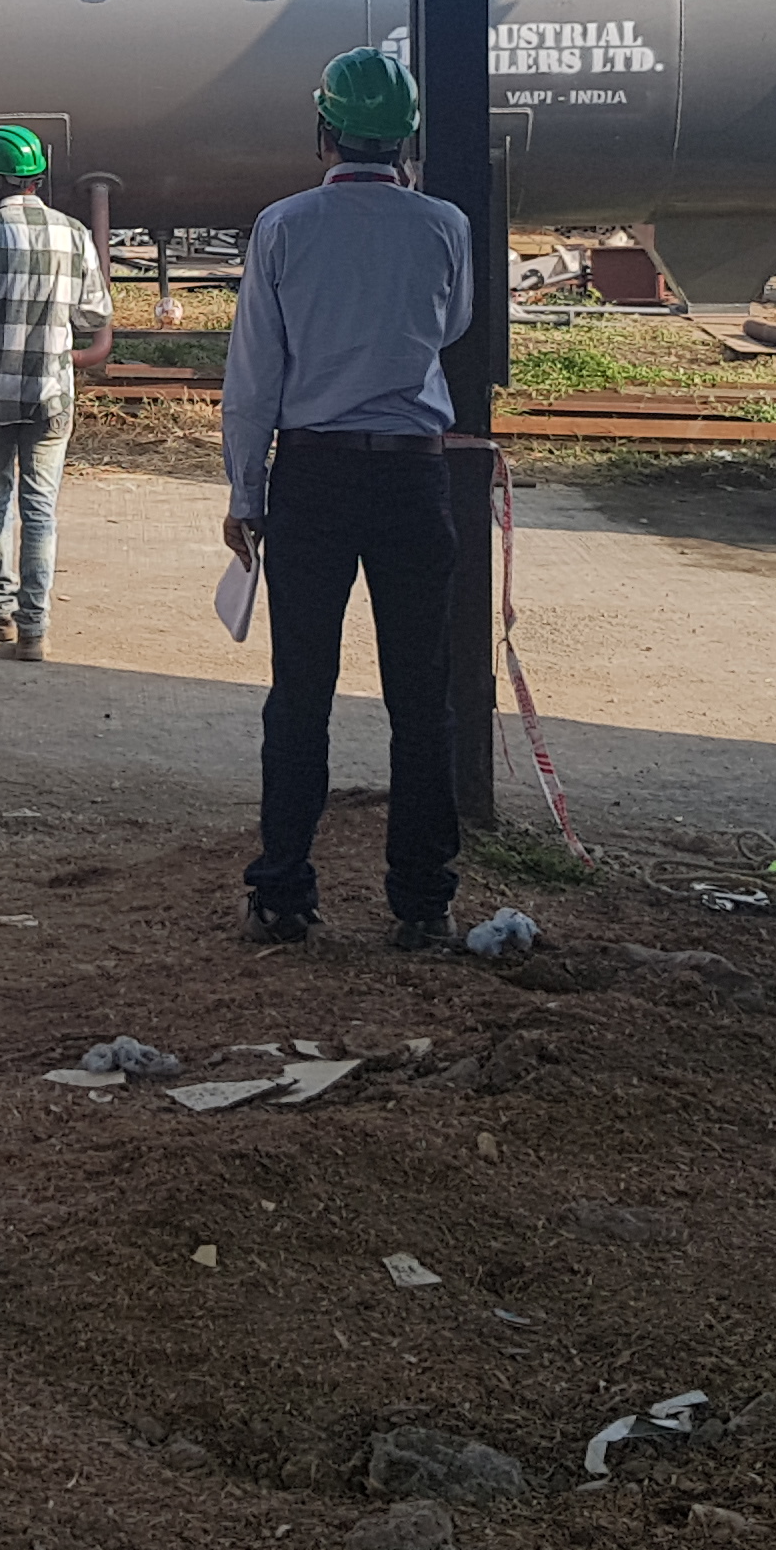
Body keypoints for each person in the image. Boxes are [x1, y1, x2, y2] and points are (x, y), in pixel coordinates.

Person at [221, 46, 475, 952]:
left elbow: (254, 377)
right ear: (407, 139)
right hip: (413, 476)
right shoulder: (445, 225)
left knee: (301, 693)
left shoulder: (283, 227)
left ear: (323, 132)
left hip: (314, 480)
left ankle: (284, 893)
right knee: (422, 697)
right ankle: (423, 901)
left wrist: (246, 493)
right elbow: (451, 326)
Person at [0, 124, 112, 660]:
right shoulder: (73, 233)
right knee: (40, 508)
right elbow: (95, 312)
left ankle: (0, 610)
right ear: (34, 178)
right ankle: (35, 626)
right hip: (51, 394)